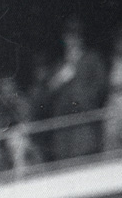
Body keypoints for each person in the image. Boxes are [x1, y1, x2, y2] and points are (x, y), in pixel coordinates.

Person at [44, 17, 106, 160]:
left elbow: (101, 88)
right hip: (64, 136)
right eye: (68, 36)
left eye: (75, 36)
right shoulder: (59, 66)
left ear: (81, 38)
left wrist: (82, 97)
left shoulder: (92, 60)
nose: (71, 41)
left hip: (85, 129)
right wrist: (58, 81)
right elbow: (46, 97)